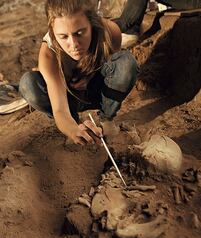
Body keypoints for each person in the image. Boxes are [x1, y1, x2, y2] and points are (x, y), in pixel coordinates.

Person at [19, 0, 138, 146]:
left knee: (126, 62)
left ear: (92, 24)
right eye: (63, 36)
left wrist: (90, 74)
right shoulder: (49, 54)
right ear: (52, 31)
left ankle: (107, 120)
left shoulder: (110, 31)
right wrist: (72, 130)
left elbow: (115, 68)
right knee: (28, 84)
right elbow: (60, 110)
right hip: (68, 99)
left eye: (80, 33)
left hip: (99, 92)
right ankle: (75, 124)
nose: (74, 44)